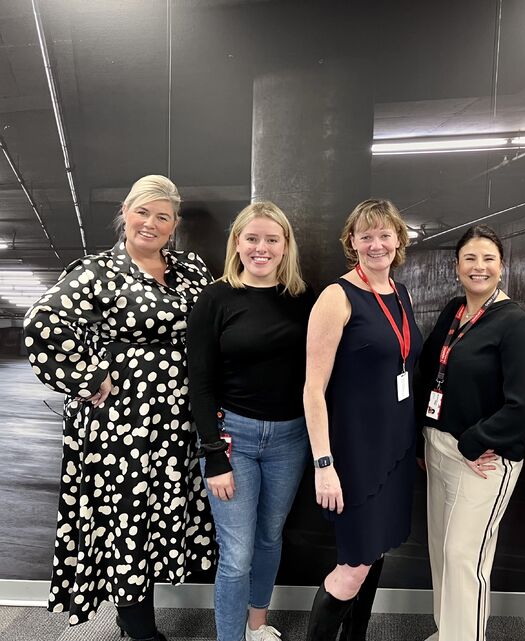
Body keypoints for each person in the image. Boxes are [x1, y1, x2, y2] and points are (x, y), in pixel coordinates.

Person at [22, 175, 215, 640]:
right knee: (125, 516)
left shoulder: (190, 267)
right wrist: (89, 378)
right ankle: (137, 627)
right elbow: (40, 324)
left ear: (174, 225)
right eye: (142, 212)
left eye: (162, 216)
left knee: (157, 512)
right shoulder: (97, 272)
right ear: (125, 214)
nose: (151, 223)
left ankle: (139, 617)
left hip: (177, 421)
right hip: (120, 424)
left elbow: (214, 321)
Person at [187, 202, 315, 641]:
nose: (261, 248)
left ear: (285, 246)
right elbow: (199, 384)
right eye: (252, 238)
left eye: (271, 239)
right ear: (237, 243)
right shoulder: (215, 297)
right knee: (237, 553)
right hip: (233, 440)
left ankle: (257, 625)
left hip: (291, 438)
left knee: (269, 538)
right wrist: (214, 455)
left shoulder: (303, 299)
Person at [415, 225, 525, 641]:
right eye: (470, 258)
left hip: (484, 457)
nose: (479, 267)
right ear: (456, 267)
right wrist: (428, 432)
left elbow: (523, 404)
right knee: (441, 551)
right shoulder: (454, 310)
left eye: (488, 258)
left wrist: (473, 441)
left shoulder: (516, 325)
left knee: (464, 557)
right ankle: (447, 633)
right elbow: (429, 372)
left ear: (502, 267)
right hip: (439, 447)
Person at [302, 199, 422, 641]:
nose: (376, 244)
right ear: (351, 242)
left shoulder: (401, 292)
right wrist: (324, 464)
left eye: (384, 235)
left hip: (394, 450)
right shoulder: (336, 297)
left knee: (376, 553)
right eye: (365, 236)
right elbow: (313, 389)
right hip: (353, 455)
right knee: (353, 565)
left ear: (398, 240)